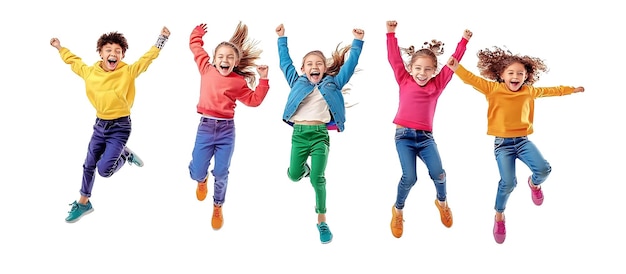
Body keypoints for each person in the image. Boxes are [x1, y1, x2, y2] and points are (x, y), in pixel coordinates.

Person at [447, 47, 584, 244]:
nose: (515, 76)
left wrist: (572, 89)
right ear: (501, 75)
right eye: (510, 73)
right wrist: (457, 68)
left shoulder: (529, 91)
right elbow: (472, 80)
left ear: (526, 76)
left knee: (544, 169)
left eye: (520, 73)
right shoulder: (493, 89)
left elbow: (552, 91)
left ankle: (534, 184)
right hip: (502, 145)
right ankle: (499, 216)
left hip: (522, 141)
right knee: (508, 183)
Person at [50, 27, 171, 223]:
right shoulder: (89, 72)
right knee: (88, 164)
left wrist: (162, 38)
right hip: (99, 126)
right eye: (109, 50)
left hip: (120, 127)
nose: (113, 54)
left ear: (122, 55)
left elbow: (147, 58)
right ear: (100, 53)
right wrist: (59, 47)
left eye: (118, 51)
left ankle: (125, 154)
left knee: (104, 170)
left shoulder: (128, 72)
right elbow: (73, 61)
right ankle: (83, 203)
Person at [275, 23, 364, 244]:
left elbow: (350, 66)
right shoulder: (296, 81)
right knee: (294, 175)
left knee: (318, 178)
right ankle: (303, 169)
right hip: (299, 135)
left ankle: (322, 221)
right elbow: (285, 63)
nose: (314, 67)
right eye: (309, 64)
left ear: (324, 68)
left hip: (320, 135)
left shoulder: (333, 83)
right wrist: (281, 37)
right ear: (304, 69)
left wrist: (357, 43)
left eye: (319, 64)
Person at [386, 20, 472, 238]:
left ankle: (442, 202)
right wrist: (391, 33)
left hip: (425, 138)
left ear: (435, 71)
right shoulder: (403, 79)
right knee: (410, 177)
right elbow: (394, 59)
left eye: (427, 70)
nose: (422, 73)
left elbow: (453, 62)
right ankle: (398, 209)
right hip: (403, 136)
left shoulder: (438, 84)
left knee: (439, 174)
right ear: (410, 69)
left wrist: (464, 41)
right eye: (418, 68)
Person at [188, 22, 269, 231]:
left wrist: (263, 80)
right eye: (221, 57)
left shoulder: (238, 82)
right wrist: (197, 34)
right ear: (214, 59)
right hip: (205, 127)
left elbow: (253, 100)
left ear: (236, 62)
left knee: (222, 172)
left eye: (230, 57)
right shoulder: (206, 68)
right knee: (196, 171)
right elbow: (196, 48)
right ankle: (201, 179)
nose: (225, 60)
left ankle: (217, 205)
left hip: (226, 131)